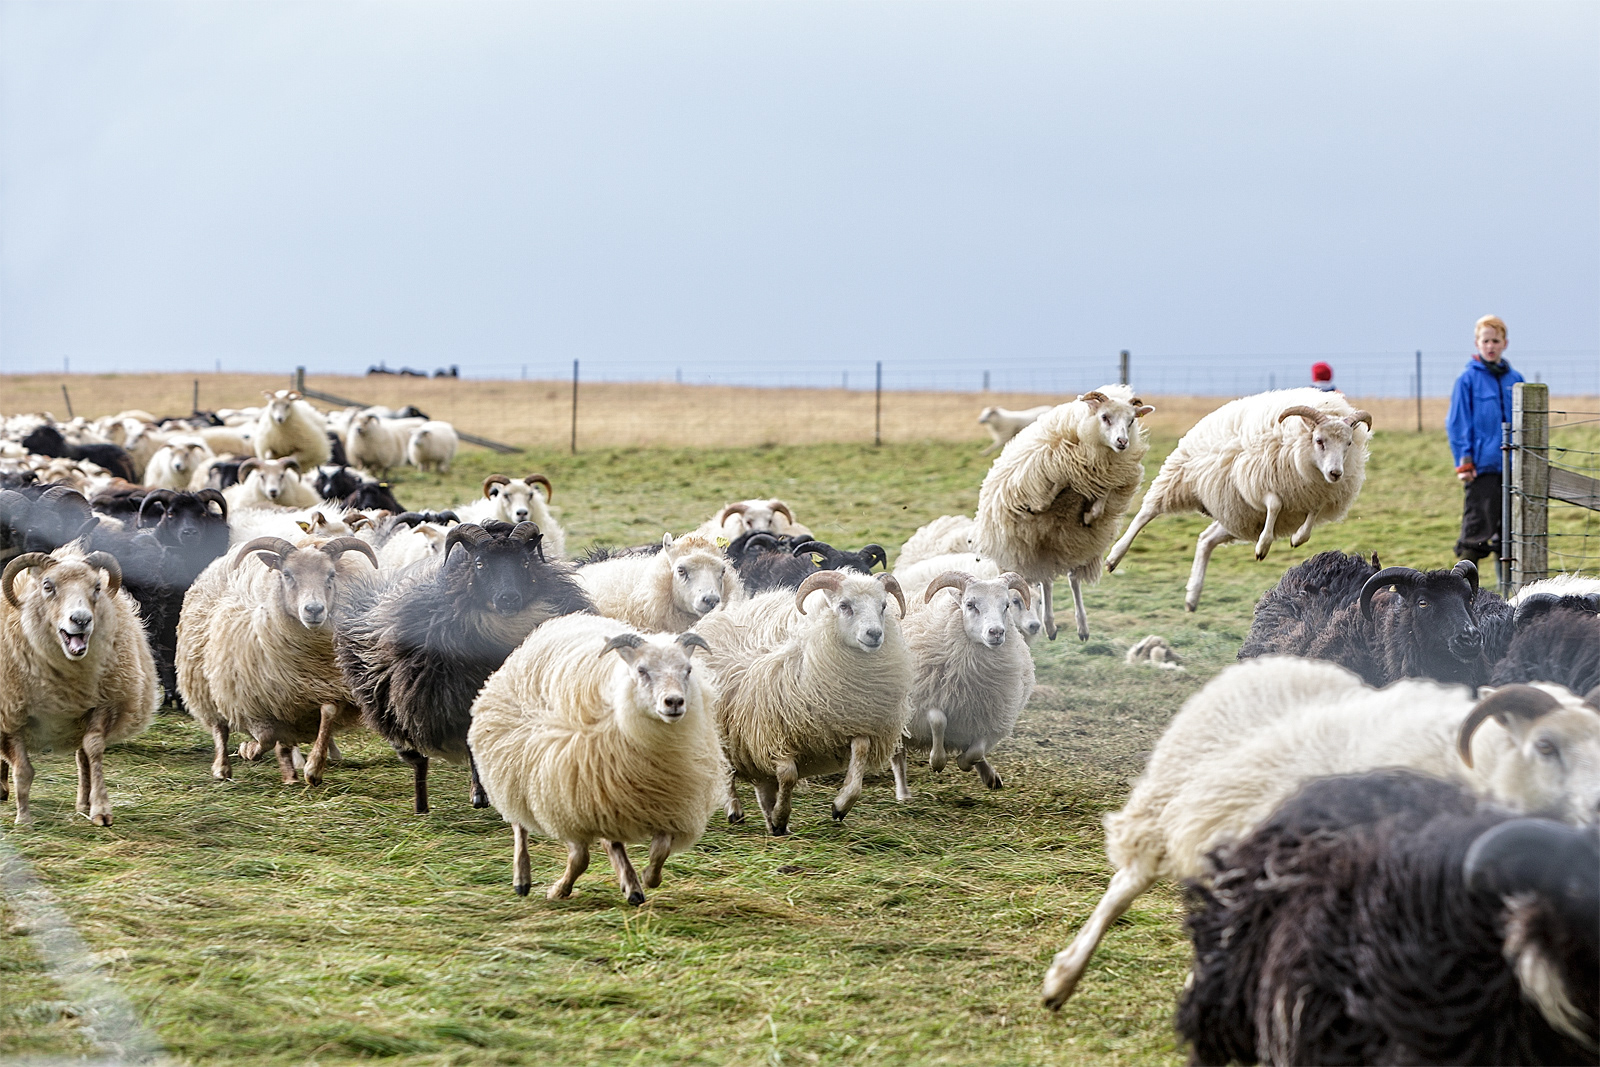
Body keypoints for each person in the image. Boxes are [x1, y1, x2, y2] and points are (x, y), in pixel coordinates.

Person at [1445, 315, 1524, 563]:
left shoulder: (1516, 380)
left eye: (1496, 341)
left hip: (1513, 468)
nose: (1491, 346)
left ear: (1505, 343)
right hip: (1482, 467)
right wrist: (1464, 461)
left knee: (1511, 534)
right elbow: (1458, 423)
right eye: (1486, 341)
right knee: (1476, 532)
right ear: (1477, 343)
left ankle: (1512, 591)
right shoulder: (1467, 380)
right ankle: (1462, 593)